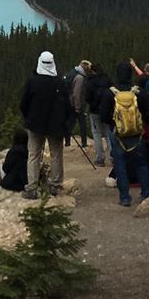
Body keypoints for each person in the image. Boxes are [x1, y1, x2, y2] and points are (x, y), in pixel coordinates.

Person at [19, 51, 73, 199]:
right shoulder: (60, 83)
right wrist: (66, 123)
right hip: (56, 126)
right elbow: (68, 106)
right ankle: (55, 185)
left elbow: (24, 104)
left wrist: (28, 118)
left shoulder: (32, 82)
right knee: (56, 155)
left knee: (33, 155)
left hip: (35, 124)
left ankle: (32, 188)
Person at [99, 60, 149, 207]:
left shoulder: (110, 93)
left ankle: (125, 197)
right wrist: (142, 125)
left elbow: (103, 115)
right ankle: (146, 194)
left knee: (120, 165)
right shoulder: (138, 92)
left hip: (118, 134)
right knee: (142, 164)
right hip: (137, 134)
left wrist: (112, 124)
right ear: (130, 74)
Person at [83, 61, 113, 167]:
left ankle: (100, 159)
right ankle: (113, 157)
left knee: (97, 134)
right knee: (109, 133)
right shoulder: (108, 80)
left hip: (95, 110)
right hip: (108, 110)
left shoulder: (90, 82)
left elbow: (87, 98)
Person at [68, 59, 92, 149]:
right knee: (82, 124)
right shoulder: (80, 78)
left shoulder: (73, 73)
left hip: (70, 103)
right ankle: (84, 143)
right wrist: (78, 107)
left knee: (70, 123)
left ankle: (67, 142)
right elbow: (77, 93)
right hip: (77, 104)